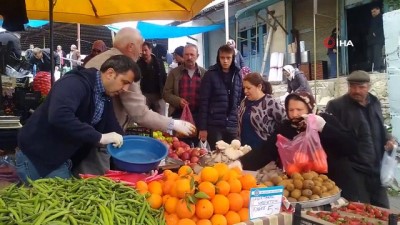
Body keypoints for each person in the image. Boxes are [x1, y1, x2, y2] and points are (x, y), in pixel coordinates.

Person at [81, 27, 195, 175]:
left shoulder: (99, 59)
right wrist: (173, 124)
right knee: (93, 182)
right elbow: (139, 113)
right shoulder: (124, 67)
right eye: (140, 46)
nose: (142, 52)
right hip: (99, 138)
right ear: (130, 46)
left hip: (87, 133)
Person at [16, 55, 139, 183]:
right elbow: (60, 115)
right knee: (56, 199)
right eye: (124, 82)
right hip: (37, 156)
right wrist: (99, 137)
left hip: (60, 158)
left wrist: (133, 152)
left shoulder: (103, 95)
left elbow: (111, 124)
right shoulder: (74, 83)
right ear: (110, 73)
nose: (125, 89)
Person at [236, 91, 361, 201]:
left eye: (299, 110)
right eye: (291, 110)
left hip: (336, 186)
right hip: (303, 189)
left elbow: (351, 146)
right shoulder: (287, 128)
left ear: (310, 108)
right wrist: (240, 164)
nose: (295, 114)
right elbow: (266, 151)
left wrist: (324, 128)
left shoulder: (326, 120)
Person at [326, 70, 398, 208]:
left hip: (376, 169)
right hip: (354, 171)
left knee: (384, 211)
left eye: (361, 87)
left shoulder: (374, 102)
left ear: (369, 86)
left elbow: (379, 127)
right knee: (361, 212)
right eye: (352, 86)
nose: (356, 91)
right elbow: (332, 139)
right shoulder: (337, 106)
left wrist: (388, 139)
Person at [198, 44, 243, 149]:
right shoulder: (210, 75)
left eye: (228, 58)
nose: (225, 61)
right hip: (214, 125)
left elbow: (239, 100)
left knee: (234, 155)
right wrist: (203, 128)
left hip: (232, 125)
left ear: (233, 58)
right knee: (218, 157)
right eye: (222, 58)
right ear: (218, 58)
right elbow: (204, 102)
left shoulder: (237, 75)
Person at [238, 72, 286, 149]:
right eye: (244, 88)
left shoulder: (270, 102)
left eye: (248, 88)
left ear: (259, 87)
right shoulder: (244, 102)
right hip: (245, 149)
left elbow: (285, 122)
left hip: (264, 150)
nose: (245, 91)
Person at [137, 41, 167, 114]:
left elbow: (164, 77)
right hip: (144, 95)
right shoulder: (137, 64)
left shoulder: (159, 63)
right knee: (144, 118)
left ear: (150, 50)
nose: (144, 53)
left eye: (145, 50)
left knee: (160, 118)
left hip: (158, 95)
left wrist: (165, 92)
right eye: (142, 51)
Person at [367, 5, 384, 73]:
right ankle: (377, 68)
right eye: (372, 12)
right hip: (372, 41)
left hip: (378, 40)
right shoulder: (373, 19)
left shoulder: (381, 17)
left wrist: (375, 33)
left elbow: (382, 27)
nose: (373, 13)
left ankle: (377, 69)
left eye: (374, 11)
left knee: (377, 54)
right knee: (371, 55)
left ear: (378, 10)